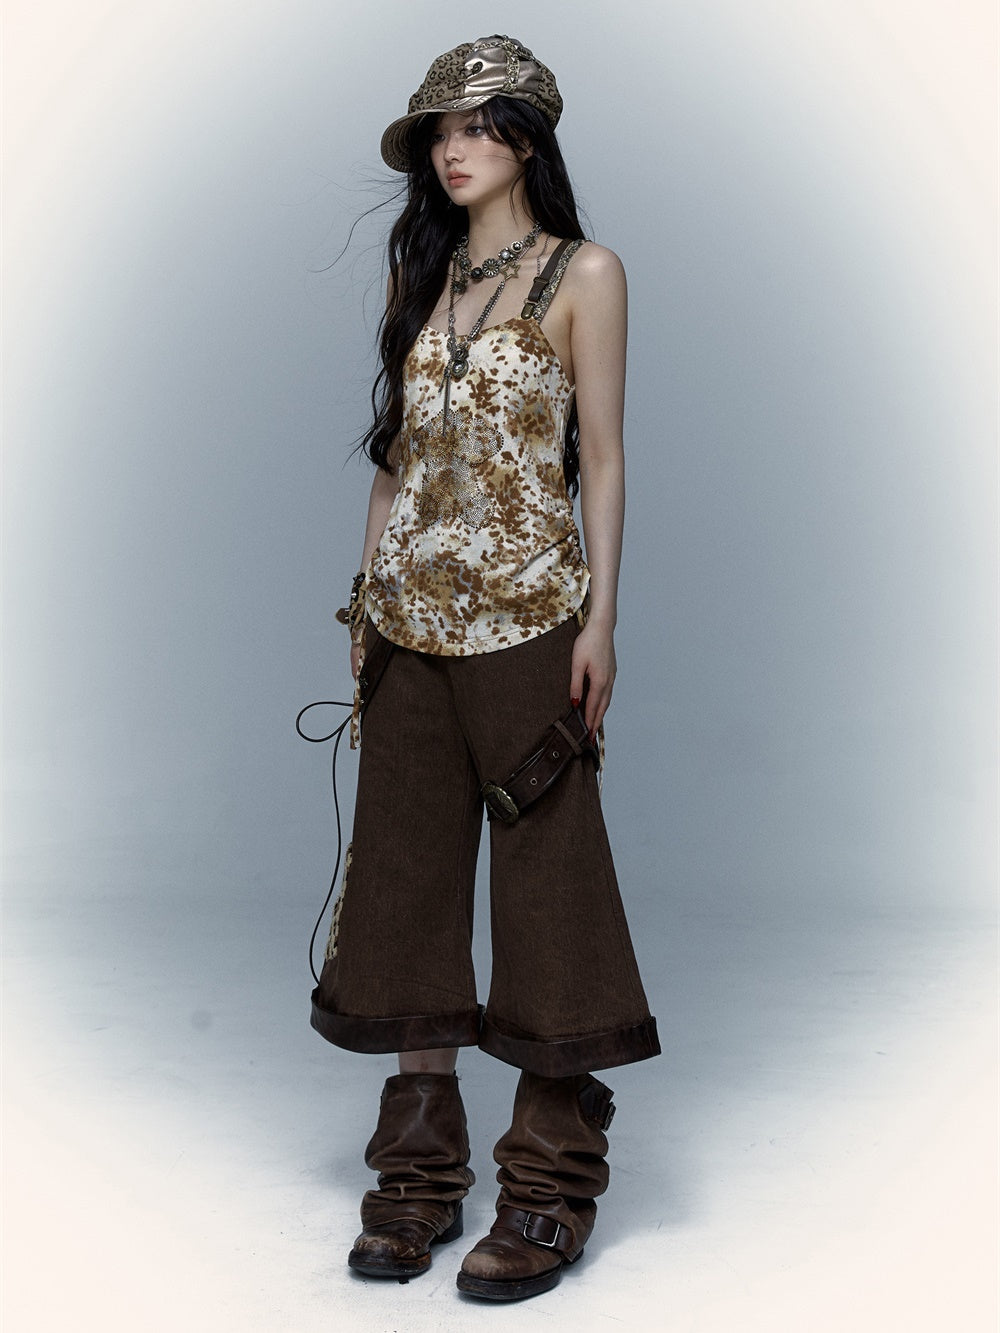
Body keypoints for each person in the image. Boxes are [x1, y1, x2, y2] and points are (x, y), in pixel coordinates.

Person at [311, 34, 660, 1302]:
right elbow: (396, 459)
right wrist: (362, 602)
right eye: (437, 135)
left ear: (524, 137)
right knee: (404, 881)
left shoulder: (584, 272)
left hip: (529, 616)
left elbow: (602, 457)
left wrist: (601, 620)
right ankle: (418, 1172)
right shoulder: (424, 273)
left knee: (549, 889)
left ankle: (550, 1179)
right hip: (407, 623)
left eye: (473, 127)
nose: (450, 152)